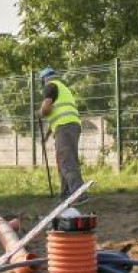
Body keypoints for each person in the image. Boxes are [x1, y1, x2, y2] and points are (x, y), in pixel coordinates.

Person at [37, 67, 85, 201]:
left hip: (65, 127)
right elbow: (57, 116)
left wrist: (39, 113)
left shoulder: (49, 87)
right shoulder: (62, 88)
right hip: (68, 126)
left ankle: (78, 193)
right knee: (63, 160)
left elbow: (46, 110)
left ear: (43, 79)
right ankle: (66, 194)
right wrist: (46, 136)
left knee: (67, 160)